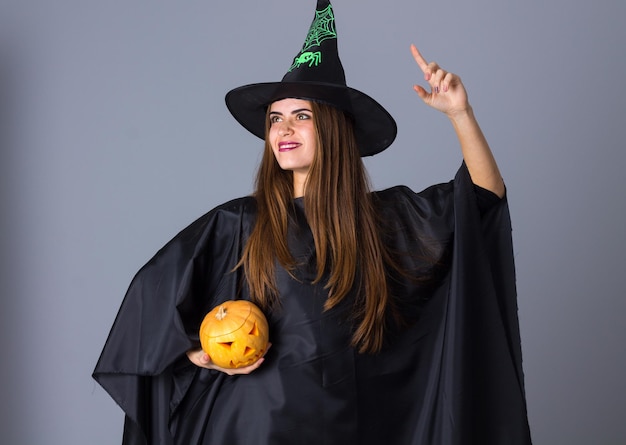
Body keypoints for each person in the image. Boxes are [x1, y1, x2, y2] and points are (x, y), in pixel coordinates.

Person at [93, 1, 532, 444]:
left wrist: (461, 115)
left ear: (334, 128)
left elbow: (481, 200)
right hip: (250, 430)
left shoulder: (386, 221)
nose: (284, 129)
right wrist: (198, 353)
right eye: (275, 119)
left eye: (302, 116)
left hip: (351, 428)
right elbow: (149, 307)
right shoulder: (238, 224)